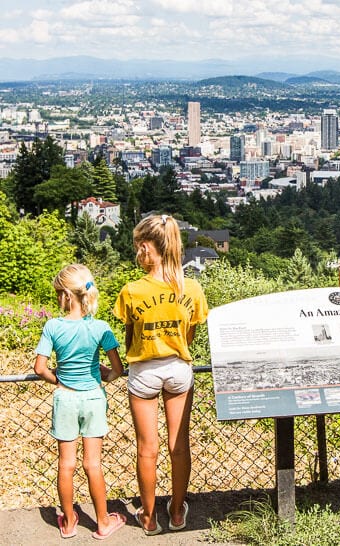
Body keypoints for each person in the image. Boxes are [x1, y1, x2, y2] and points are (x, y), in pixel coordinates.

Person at [113, 214, 208, 536]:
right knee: (179, 445)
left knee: (146, 448)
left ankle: (149, 517)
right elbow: (190, 334)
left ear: (144, 247)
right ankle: (178, 511)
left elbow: (129, 334)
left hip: (143, 370)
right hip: (179, 368)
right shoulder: (192, 288)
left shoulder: (132, 290)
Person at [33, 263, 127, 540]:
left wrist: (58, 380)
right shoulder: (101, 328)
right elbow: (117, 369)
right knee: (93, 464)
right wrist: (106, 376)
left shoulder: (53, 326)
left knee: (66, 464)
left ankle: (70, 521)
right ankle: (102, 522)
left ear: (65, 295)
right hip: (93, 398)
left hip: (66, 398)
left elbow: (40, 368)